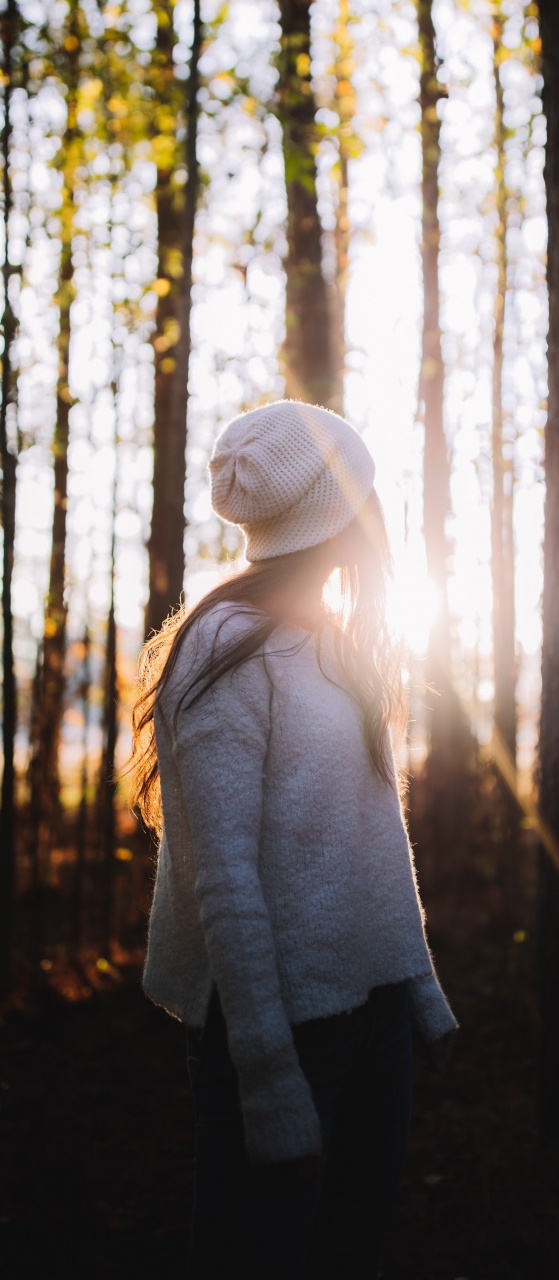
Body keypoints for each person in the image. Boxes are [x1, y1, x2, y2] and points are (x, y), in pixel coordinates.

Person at [128, 399, 459, 1279]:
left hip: (375, 1016)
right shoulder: (223, 651)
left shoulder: (336, 645)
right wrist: (268, 1080)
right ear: (335, 512)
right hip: (276, 1036)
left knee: (351, 1251)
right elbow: (226, 881)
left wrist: (417, 990)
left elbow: (376, 838)